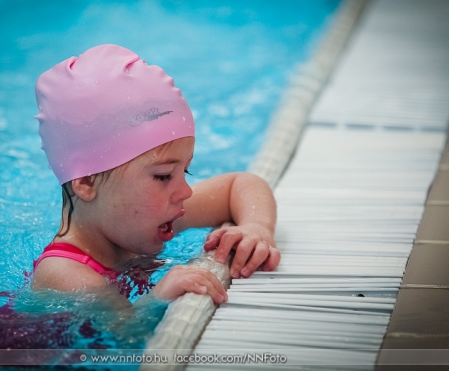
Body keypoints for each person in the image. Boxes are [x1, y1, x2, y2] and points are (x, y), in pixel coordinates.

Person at [31, 44, 280, 307]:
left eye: (185, 170)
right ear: (86, 182)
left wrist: (257, 228)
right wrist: (156, 299)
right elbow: (123, 329)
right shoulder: (64, 275)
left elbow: (240, 184)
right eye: (163, 176)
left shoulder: (140, 220)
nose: (186, 192)